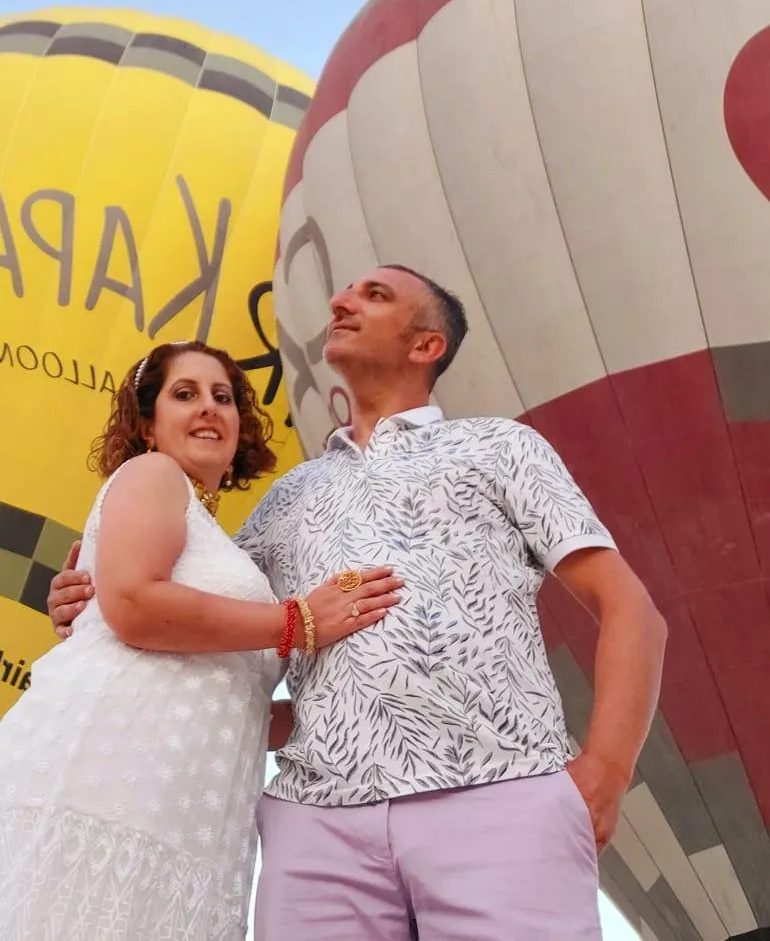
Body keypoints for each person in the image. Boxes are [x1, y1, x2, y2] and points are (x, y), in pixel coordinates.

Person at [48, 266, 668, 941]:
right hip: (315, 827)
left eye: (374, 296)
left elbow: (632, 610)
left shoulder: (499, 448)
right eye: (344, 293)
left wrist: (607, 768)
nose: (340, 300)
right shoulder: (285, 500)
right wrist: (97, 607)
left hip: (498, 793)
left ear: (426, 346)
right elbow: (203, 640)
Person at [0, 339, 402, 941]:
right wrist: (299, 621)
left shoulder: (224, 547)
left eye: (222, 397)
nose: (209, 409)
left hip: (193, 807)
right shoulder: (152, 474)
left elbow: (234, 693)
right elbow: (133, 604)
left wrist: (357, 703)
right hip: (107, 775)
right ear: (148, 426)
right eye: (185, 394)